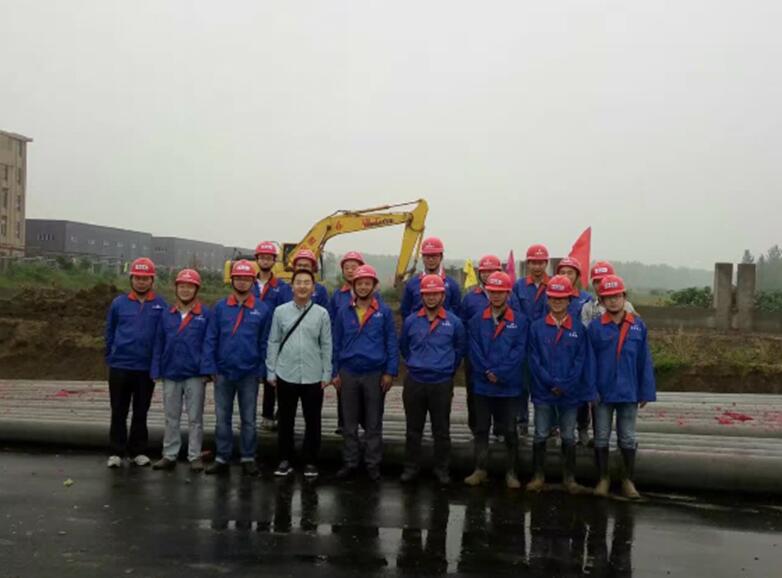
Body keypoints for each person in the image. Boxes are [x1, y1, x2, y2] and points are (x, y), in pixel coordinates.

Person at [201, 260, 272, 476]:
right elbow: (211, 338)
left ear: (252, 281)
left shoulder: (262, 309)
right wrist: (210, 367)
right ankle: (222, 457)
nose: (242, 282)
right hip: (223, 372)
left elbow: (265, 342)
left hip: (249, 373)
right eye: (238, 278)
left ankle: (248, 457)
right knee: (222, 418)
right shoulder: (220, 307)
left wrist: (261, 370)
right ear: (231, 280)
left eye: (246, 279)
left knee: (249, 419)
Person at [589, 275, 656, 500]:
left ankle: (628, 480)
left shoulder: (638, 326)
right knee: (601, 436)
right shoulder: (595, 327)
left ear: (624, 297)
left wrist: (646, 391)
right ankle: (603, 478)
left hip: (629, 391)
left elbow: (644, 361)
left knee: (627, 437)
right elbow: (590, 361)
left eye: (616, 296)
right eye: (607, 297)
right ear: (601, 301)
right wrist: (591, 389)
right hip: (603, 392)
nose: (613, 300)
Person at [526, 275, 593, 494]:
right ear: (547, 299)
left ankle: (569, 479)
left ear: (569, 300)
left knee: (568, 435)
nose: (557, 302)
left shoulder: (579, 330)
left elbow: (580, 361)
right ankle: (538, 477)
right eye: (553, 298)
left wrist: (565, 384)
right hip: (543, 391)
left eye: (561, 298)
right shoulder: (536, 328)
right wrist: (549, 382)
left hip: (569, 393)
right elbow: (534, 360)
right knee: (540, 434)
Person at [332, 265, 399, 481]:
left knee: (373, 422)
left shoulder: (384, 312)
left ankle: (372, 464)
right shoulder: (344, 311)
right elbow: (336, 343)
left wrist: (390, 372)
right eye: (359, 283)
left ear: (374, 286)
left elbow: (391, 342)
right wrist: (334, 371)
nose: (363, 287)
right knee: (349, 423)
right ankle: (350, 462)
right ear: (353, 286)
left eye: (367, 283)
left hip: (374, 373)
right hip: (349, 372)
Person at [399, 274, 466, 485]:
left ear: (443, 296)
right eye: (427, 294)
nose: (431, 297)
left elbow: (459, 349)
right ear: (421, 296)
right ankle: (411, 468)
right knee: (413, 429)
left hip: (441, 382)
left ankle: (442, 469)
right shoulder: (411, 321)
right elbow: (404, 347)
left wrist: (446, 369)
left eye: (435, 294)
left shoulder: (454, 322)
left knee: (441, 429)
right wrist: (417, 363)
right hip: (415, 381)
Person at [463, 272, 528, 489]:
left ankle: (511, 472)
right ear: (487, 292)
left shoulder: (520, 322)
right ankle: (480, 469)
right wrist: (486, 371)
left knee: (509, 430)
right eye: (493, 291)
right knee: (482, 428)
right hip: (483, 385)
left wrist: (500, 373)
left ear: (508, 293)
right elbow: (473, 350)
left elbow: (519, 352)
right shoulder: (476, 321)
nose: (496, 296)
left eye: (501, 292)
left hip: (508, 387)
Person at [266, 269, 333, 480]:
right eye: (298, 282)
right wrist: (271, 370)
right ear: (292, 286)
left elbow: (326, 344)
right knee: (285, 419)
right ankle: (285, 459)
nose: (302, 286)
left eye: (307, 282)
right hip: (286, 372)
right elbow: (273, 341)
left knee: (313, 420)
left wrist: (327, 373)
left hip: (313, 375)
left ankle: (310, 461)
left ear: (313, 288)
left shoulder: (322, 314)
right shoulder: (280, 312)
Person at [104, 257, 167, 468]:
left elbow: (162, 336)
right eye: (138, 278)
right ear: (131, 279)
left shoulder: (160, 305)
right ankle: (116, 451)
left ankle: (137, 451)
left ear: (152, 280)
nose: (141, 282)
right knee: (118, 410)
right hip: (120, 366)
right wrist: (111, 355)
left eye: (145, 278)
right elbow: (110, 331)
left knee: (141, 411)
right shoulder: (119, 303)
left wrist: (157, 365)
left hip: (145, 368)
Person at [150, 269, 210, 472]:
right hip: (171, 373)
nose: (185, 290)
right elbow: (158, 342)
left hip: (194, 374)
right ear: (176, 289)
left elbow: (209, 344)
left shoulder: (205, 315)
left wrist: (207, 370)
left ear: (196, 290)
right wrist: (156, 368)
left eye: (190, 287)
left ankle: (195, 455)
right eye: (182, 286)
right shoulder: (166, 314)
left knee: (195, 418)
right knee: (171, 416)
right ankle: (169, 454)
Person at [578, 261, 638, 445]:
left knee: (624, 415)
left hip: (621, 363)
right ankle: (597, 438)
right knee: (597, 406)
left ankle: (624, 444)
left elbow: (635, 333)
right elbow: (585, 334)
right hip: (597, 359)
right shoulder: (588, 307)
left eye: (603, 279)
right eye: (596, 281)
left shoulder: (627, 307)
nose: (600, 284)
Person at [461, 255, 521, 433]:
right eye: (484, 271)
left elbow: (517, 323)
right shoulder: (470, 298)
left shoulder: (511, 297)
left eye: (492, 271)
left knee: (503, 392)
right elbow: (463, 326)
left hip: (503, 353)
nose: (488, 275)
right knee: (475, 392)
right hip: (477, 354)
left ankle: (501, 428)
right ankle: (476, 427)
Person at [252, 241, 293, 432]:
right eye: (262, 257)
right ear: (257, 259)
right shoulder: (247, 283)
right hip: (251, 337)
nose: (265, 261)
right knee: (251, 379)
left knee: (272, 378)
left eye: (269, 258)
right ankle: (248, 417)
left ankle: (268, 415)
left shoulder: (282, 287)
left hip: (273, 338)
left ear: (274, 261)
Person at [512, 243, 551, 436]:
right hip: (524, 343)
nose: (537, 266)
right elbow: (515, 313)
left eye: (541, 262)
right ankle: (522, 421)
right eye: (533, 262)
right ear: (527, 264)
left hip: (547, 344)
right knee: (522, 385)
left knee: (545, 384)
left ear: (546, 263)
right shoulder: (519, 286)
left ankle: (549, 425)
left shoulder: (553, 285)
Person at [400, 237, 461, 319]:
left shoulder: (452, 285)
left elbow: (456, 311)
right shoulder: (412, 284)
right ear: (422, 257)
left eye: (434, 256)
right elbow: (405, 311)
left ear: (441, 257)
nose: (431, 260)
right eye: (427, 257)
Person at [580, 261, 637, 326]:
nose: (602, 285)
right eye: (598, 282)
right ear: (593, 284)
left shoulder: (626, 306)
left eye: (605, 280)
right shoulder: (587, 308)